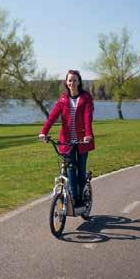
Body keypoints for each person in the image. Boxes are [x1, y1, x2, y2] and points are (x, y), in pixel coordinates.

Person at [39, 69, 95, 209]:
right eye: (70, 80)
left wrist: (88, 134)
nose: (72, 83)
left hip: (82, 141)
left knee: (80, 170)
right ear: (66, 82)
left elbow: (87, 117)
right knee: (70, 169)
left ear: (79, 82)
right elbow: (52, 116)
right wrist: (43, 132)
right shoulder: (63, 99)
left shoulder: (86, 98)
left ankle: (81, 199)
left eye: (74, 80)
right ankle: (74, 199)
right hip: (67, 141)